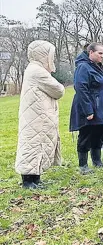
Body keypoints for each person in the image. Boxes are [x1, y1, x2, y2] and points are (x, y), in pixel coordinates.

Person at [15, 40, 65, 189]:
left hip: (38, 116)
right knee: (32, 145)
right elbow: (58, 90)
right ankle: (27, 181)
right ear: (43, 55)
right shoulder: (36, 71)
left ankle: (35, 179)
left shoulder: (34, 69)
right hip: (35, 117)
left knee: (38, 145)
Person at [69, 42, 103, 175]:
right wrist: (88, 110)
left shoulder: (98, 67)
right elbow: (81, 88)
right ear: (91, 52)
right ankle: (83, 165)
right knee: (86, 135)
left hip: (101, 109)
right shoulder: (83, 67)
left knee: (99, 134)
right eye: (99, 53)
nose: (102, 56)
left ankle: (97, 161)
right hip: (90, 108)